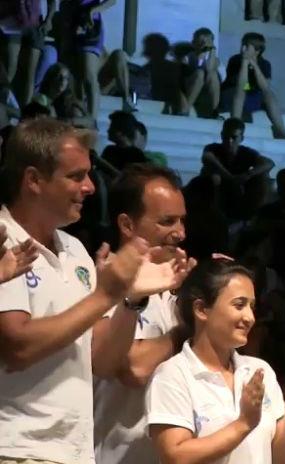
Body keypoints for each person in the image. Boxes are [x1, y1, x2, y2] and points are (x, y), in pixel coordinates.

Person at [0, 117, 189, 463]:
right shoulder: (4, 238)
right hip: (16, 448)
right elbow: (18, 347)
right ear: (33, 180)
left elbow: (102, 361)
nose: (89, 187)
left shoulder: (75, 251)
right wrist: (106, 295)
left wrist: (131, 299)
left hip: (74, 451)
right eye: (76, 176)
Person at [146, 258, 285, 463]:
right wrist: (243, 424)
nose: (250, 317)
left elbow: (283, 461)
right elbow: (175, 456)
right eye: (239, 305)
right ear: (201, 309)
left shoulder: (260, 370)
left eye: (252, 306)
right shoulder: (172, 375)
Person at [93, 164, 194, 463]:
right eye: (167, 222)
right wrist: (190, 329)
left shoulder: (177, 288)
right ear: (127, 224)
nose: (180, 233)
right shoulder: (102, 282)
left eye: (182, 220)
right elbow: (134, 367)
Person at [199, 117, 275, 222]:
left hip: (239, 192)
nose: (229, 141)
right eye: (226, 137)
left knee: (263, 177)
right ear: (221, 135)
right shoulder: (213, 148)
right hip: (217, 191)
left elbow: (269, 163)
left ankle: (253, 218)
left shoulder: (246, 152)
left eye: (233, 137)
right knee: (213, 176)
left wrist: (248, 174)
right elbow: (207, 158)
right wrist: (230, 177)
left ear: (241, 138)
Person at [220, 32, 285, 139]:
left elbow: (265, 87)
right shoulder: (235, 60)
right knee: (241, 90)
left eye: (247, 46)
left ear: (257, 51)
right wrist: (245, 62)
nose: (243, 48)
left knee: (269, 94)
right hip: (233, 95)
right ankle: (234, 127)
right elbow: (242, 84)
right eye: (243, 45)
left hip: (252, 96)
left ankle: (281, 131)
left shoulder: (264, 64)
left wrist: (254, 65)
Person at [0, 0, 56, 105]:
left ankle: (26, 111)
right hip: (10, 21)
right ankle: (3, 107)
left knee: (30, 74)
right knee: (9, 70)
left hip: (35, 22)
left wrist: (49, 19)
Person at [178, 27, 220, 118]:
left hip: (206, 87)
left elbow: (210, 69)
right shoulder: (188, 57)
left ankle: (215, 111)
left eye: (206, 42)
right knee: (200, 73)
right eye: (200, 42)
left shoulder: (215, 59)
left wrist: (212, 50)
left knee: (213, 74)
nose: (203, 44)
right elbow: (197, 67)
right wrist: (201, 55)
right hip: (190, 84)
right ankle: (187, 108)